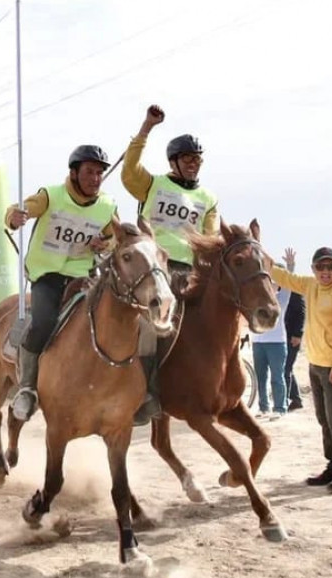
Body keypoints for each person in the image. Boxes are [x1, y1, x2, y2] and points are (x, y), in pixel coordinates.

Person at [120, 104, 219, 424]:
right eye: (188, 159)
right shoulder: (153, 184)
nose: (194, 164)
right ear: (174, 161)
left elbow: (211, 237)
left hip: (189, 272)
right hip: (154, 269)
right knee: (151, 329)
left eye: (198, 160)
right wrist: (147, 127)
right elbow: (129, 171)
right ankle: (146, 393)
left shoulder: (208, 197)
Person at [7, 145, 119, 423]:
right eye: (89, 172)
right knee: (44, 322)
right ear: (74, 172)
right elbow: (20, 209)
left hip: (83, 277)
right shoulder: (51, 195)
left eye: (99, 173)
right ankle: (27, 388)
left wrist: (104, 243)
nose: (96, 178)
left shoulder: (107, 206)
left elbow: (116, 237)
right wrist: (15, 217)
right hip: (47, 275)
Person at [266, 247, 332, 493]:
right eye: (320, 267)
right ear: (313, 269)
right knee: (322, 417)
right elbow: (283, 276)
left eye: (330, 267)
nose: (325, 272)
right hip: (315, 363)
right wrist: (257, 246)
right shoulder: (311, 285)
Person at [252, 263, 292, 420]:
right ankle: (263, 407)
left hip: (277, 343)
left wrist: (290, 266)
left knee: (277, 376)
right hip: (258, 342)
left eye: (274, 282)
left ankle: (280, 407)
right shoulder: (257, 299)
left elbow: (289, 283)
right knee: (260, 377)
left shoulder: (281, 299)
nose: (272, 285)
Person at [284, 278, 307, 413]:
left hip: (292, 337)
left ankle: (284, 400)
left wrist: (298, 334)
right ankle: (296, 399)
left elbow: (301, 312)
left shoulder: (293, 290)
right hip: (281, 336)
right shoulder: (274, 290)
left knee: (285, 368)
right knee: (286, 368)